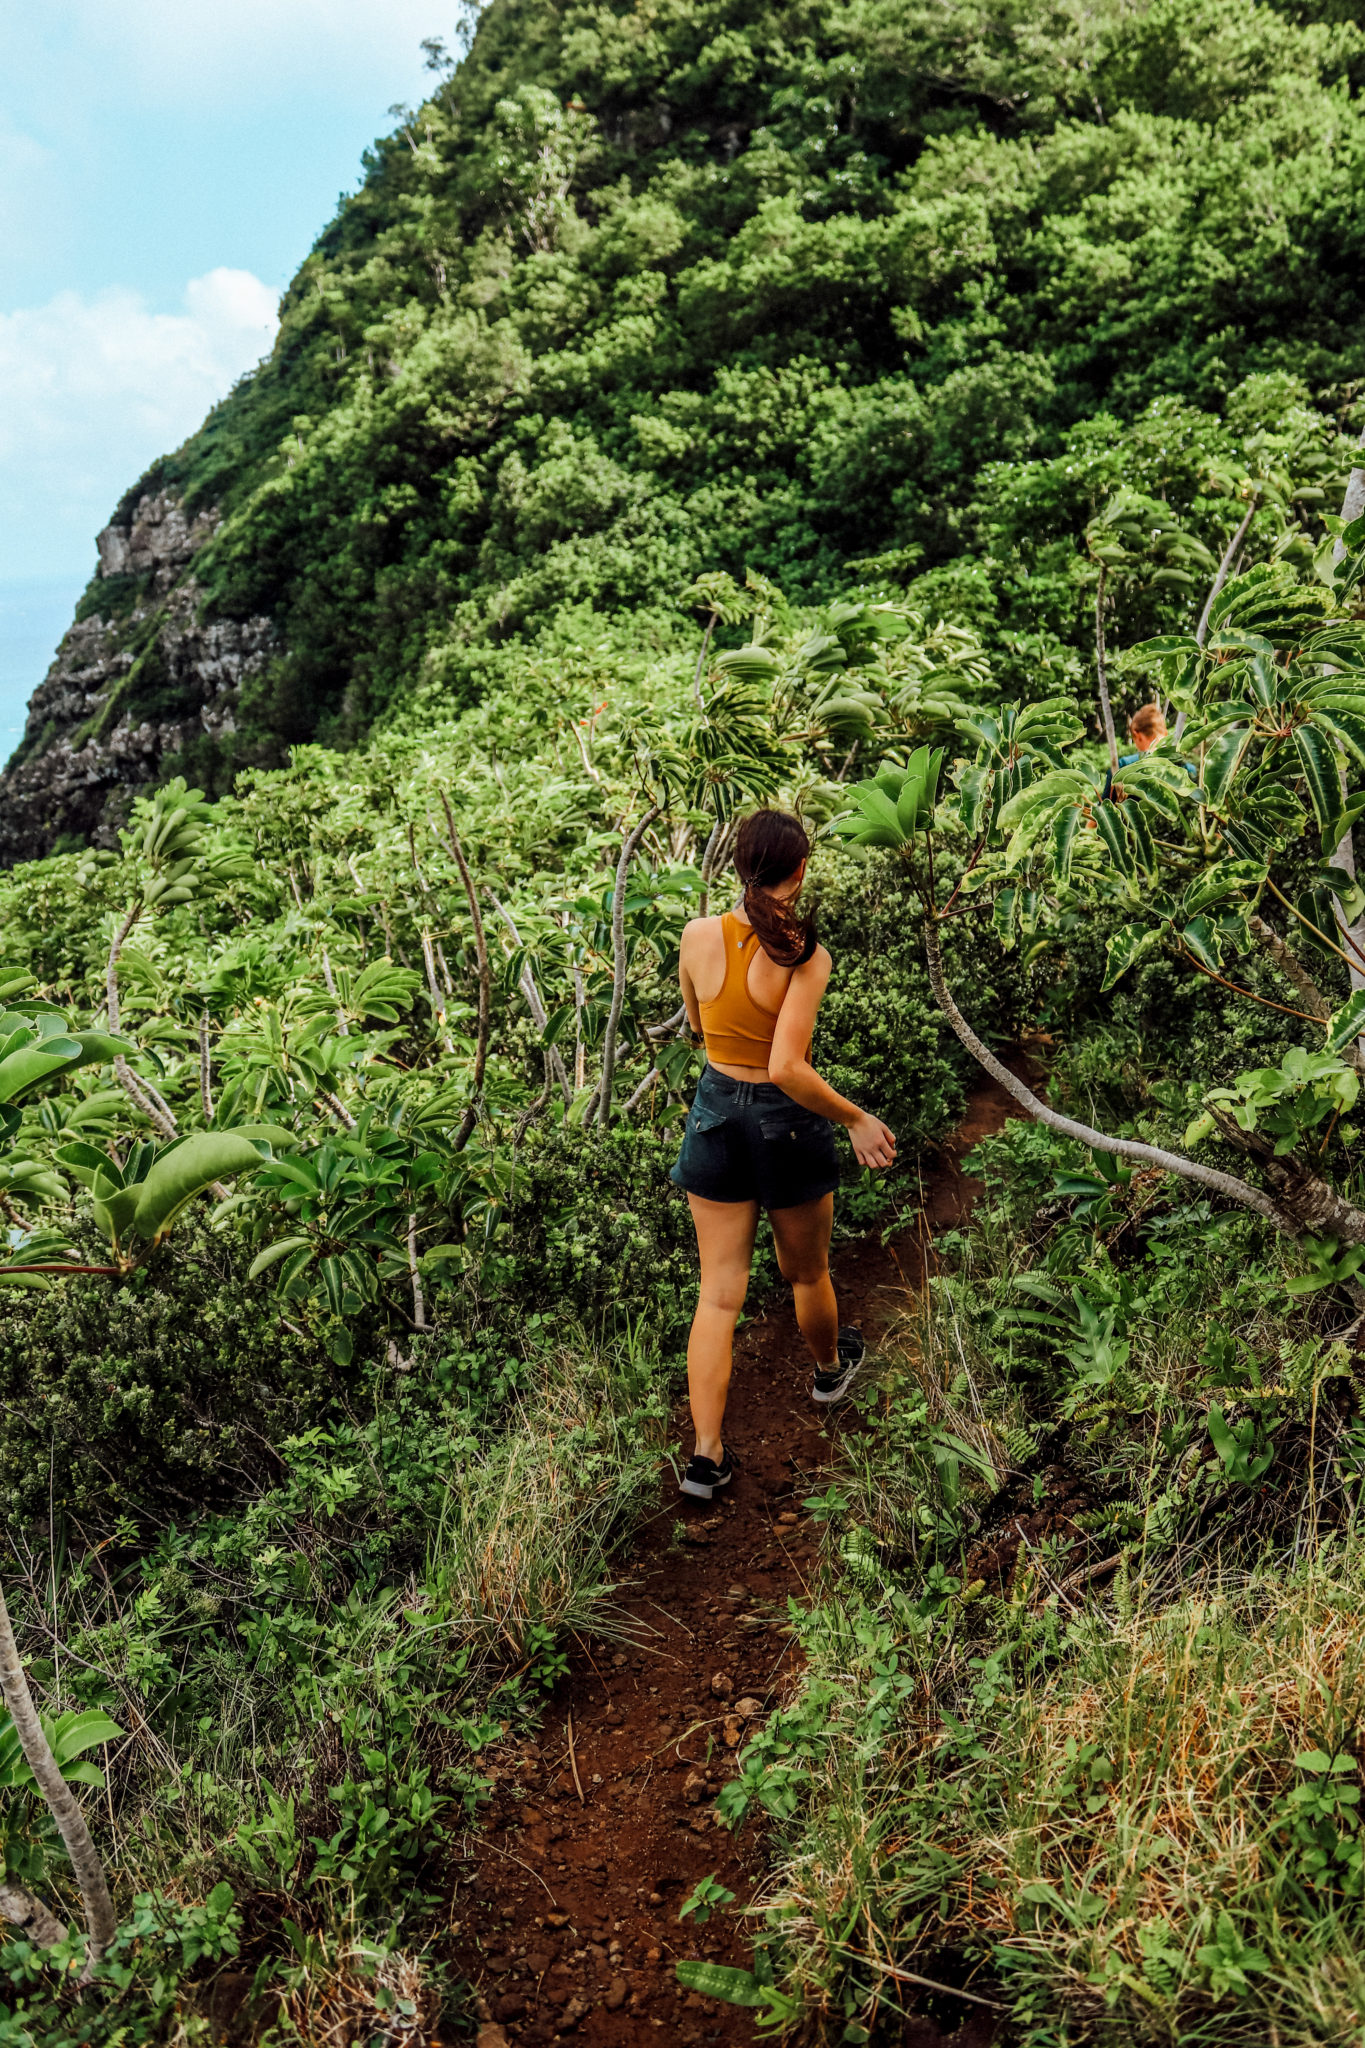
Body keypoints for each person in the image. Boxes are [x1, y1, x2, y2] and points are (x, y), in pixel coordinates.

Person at [670, 809, 897, 1501]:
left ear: (739, 865)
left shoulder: (696, 935)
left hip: (713, 1112)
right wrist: (857, 1119)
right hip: (783, 1123)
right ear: (799, 873)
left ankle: (705, 1458)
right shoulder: (804, 955)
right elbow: (789, 1068)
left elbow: (697, 1027)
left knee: (717, 1295)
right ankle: (829, 1371)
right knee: (804, 1272)